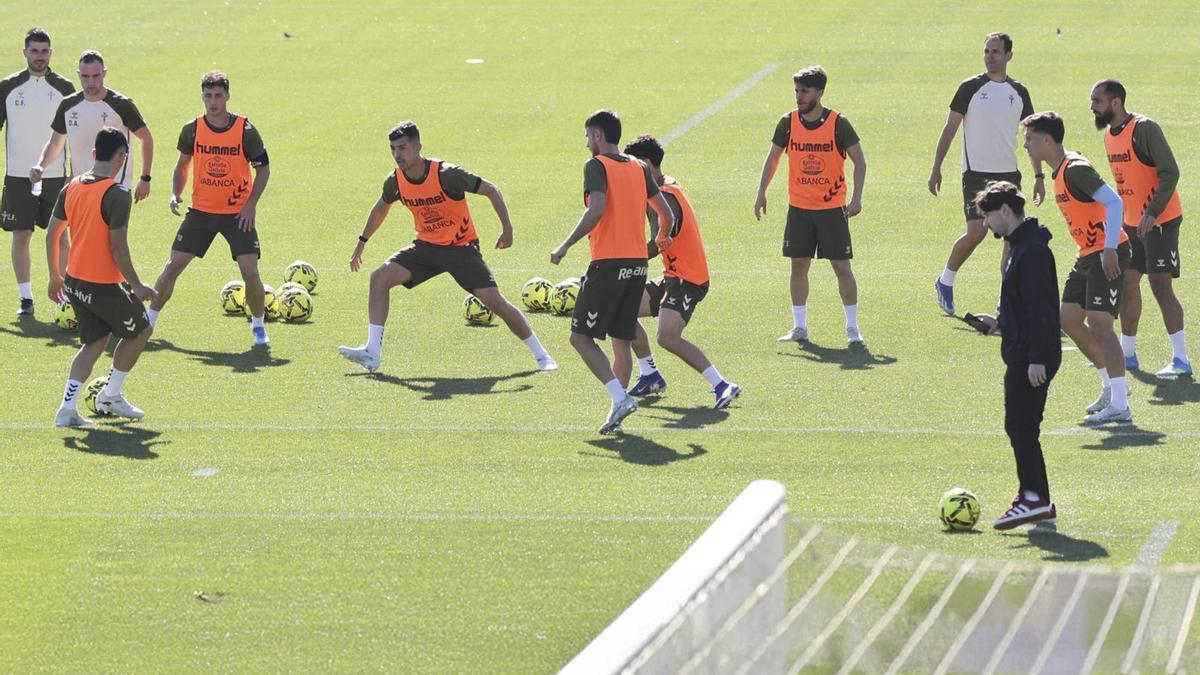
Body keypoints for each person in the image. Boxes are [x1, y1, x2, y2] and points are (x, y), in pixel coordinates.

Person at [340, 120, 556, 374]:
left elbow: (491, 190)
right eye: (393, 149)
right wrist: (361, 243)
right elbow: (380, 208)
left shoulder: (447, 174)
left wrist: (507, 229)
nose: (397, 155)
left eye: (402, 148)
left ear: (418, 146)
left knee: (494, 301)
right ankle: (372, 352)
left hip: (460, 248)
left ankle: (542, 356)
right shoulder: (395, 181)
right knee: (379, 278)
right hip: (426, 248)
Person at [550, 110, 675, 434]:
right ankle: (617, 411)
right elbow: (665, 214)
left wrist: (565, 245)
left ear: (599, 136)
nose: (587, 142)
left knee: (580, 337)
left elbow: (597, 210)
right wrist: (659, 238)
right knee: (621, 338)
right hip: (637, 266)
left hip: (608, 264)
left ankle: (619, 396)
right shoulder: (640, 167)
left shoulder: (596, 166)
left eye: (588, 136)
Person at [145, 70, 272, 346]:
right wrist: (175, 193)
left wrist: (251, 205)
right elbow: (182, 164)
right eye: (208, 95)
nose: (213, 101)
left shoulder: (245, 130)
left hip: (237, 215)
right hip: (201, 212)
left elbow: (263, 170)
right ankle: (149, 319)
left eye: (218, 95)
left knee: (250, 272)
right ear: (202, 96)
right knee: (173, 266)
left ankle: (259, 326)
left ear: (227, 96)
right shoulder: (192, 129)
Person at [1021, 111, 1133, 423]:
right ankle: (1111, 386)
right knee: (1068, 319)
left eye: (1029, 140)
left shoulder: (1075, 170)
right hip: (1087, 254)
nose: (1026, 146)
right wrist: (1039, 178)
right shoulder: (1059, 168)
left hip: (1105, 253)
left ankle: (1121, 405)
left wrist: (1110, 248)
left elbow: (1115, 203)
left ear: (1047, 140)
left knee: (1099, 324)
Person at [615, 134, 740, 410]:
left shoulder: (665, 200)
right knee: (620, 309)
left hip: (688, 280)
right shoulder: (663, 186)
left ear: (646, 164)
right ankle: (650, 376)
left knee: (667, 337)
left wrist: (620, 261)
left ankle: (722, 384)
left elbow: (659, 243)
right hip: (673, 276)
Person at [45, 127, 156, 427]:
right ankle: (111, 394)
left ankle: (66, 410)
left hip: (74, 281)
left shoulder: (71, 187)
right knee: (142, 330)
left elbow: (52, 234)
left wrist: (55, 276)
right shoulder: (118, 194)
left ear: (94, 154)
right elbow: (118, 247)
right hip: (104, 285)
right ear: (121, 158)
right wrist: (137, 286)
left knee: (94, 343)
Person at [754, 65, 867, 344]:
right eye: (796, 91)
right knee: (798, 265)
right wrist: (761, 191)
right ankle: (799, 327)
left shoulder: (839, 123)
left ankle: (853, 328)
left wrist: (856, 199)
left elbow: (860, 162)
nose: (799, 97)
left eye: (804, 91)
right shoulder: (788, 123)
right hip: (799, 209)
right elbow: (773, 158)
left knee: (842, 267)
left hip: (832, 210)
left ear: (819, 92)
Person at [929, 32, 1039, 316]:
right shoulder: (970, 88)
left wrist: (1038, 176)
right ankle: (945, 281)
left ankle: (1006, 301)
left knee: (1012, 238)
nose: (990, 56)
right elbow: (950, 129)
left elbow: (1032, 138)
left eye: (996, 51)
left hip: (1009, 175)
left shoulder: (1019, 92)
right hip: (976, 173)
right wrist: (936, 167)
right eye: (987, 51)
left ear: (1008, 56)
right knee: (976, 232)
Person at [973, 182, 1062, 529]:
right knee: (1023, 426)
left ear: (1005, 211)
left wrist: (1038, 356)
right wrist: (998, 324)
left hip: (1031, 356)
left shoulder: (1032, 251)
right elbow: (1024, 306)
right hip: (1025, 349)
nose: (986, 224)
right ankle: (1035, 497)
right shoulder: (1023, 246)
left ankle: (1034, 498)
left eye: (988, 216)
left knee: (1021, 426)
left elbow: (1042, 308)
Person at [1091, 79, 1191, 377]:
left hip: (1159, 221)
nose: (1092, 106)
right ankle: (1127, 354)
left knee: (1161, 286)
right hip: (1131, 224)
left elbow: (1170, 172)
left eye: (1097, 101)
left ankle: (1181, 360)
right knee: (1127, 283)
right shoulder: (1109, 134)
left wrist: (1152, 212)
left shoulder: (1145, 129)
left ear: (1115, 103)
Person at [1, 28, 74, 316]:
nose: (39, 56)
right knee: (21, 235)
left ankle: (66, 295)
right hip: (18, 175)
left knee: (61, 237)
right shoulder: (7, 87)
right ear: (25, 52)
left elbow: (75, 130)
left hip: (56, 175)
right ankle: (26, 299)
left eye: (44, 51)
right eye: (34, 51)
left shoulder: (65, 88)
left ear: (50, 53)